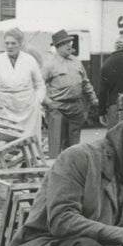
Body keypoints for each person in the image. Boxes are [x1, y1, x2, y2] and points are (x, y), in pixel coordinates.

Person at [0, 26, 45, 140]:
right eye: (7, 43)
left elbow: (40, 85)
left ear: (20, 44)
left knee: (29, 141)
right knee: (7, 142)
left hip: (28, 110)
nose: (10, 46)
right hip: (5, 108)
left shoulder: (30, 60)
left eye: (13, 43)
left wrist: (37, 101)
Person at [41, 29, 96, 157]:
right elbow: (38, 85)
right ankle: (53, 170)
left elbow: (85, 82)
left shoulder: (76, 61)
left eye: (70, 42)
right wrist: (48, 102)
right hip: (57, 108)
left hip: (75, 108)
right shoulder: (50, 64)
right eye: (65, 43)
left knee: (74, 147)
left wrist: (93, 98)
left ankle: (71, 172)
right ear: (57, 47)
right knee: (56, 145)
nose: (69, 45)